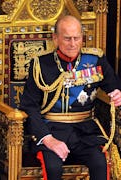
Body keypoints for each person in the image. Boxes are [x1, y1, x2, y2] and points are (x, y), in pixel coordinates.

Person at [20, 15, 121, 180]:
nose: (73, 44)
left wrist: (117, 93)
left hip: (85, 130)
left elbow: (113, 85)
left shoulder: (95, 59)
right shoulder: (40, 64)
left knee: (100, 164)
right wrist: (47, 139)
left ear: (82, 37)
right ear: (55, 38)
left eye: (77, 38)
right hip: (52, 128)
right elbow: (29, 105)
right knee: (53, 169)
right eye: (67, 39)